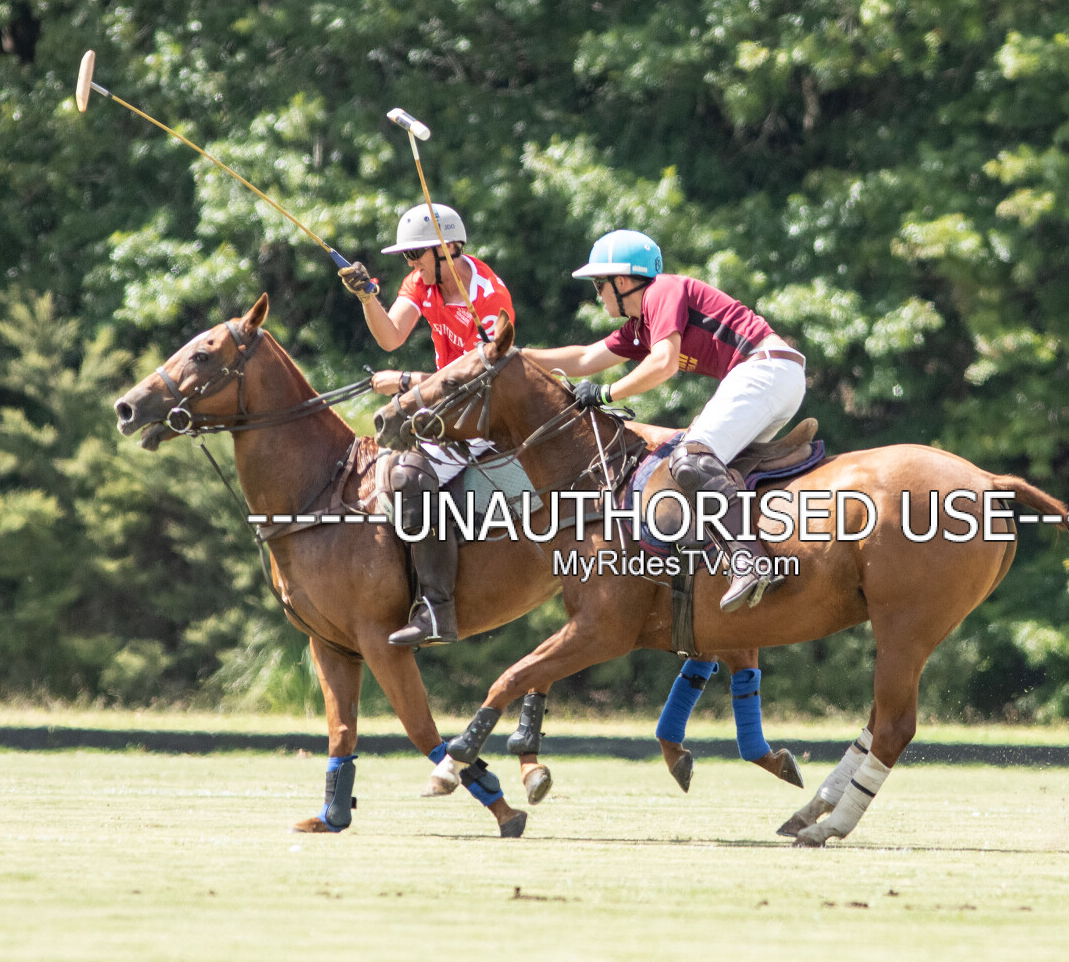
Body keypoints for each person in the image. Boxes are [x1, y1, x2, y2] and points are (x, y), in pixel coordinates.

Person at [525, 229, 807, 612]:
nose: (597, 293)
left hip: (766, 370)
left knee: (691, 459)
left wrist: (606, 394)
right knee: (709, 474)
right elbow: (584, 358)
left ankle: (750, 562)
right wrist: (514, 355)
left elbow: (664, 363)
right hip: (773, 377)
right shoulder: (640, 326)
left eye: (599, 283)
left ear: (622, 281)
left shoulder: (662, 292)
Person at [338, 203, 515, 645]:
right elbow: (390, 337)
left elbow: (476, 379)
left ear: (449, 248)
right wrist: (368, 298)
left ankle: (437, 609)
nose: (411, 263)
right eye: (407, 256)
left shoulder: (489, 299)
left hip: (483, 410)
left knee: (409, 475)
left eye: (416, 254)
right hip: (441, 407)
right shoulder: (422, 281)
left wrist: (406, 381)